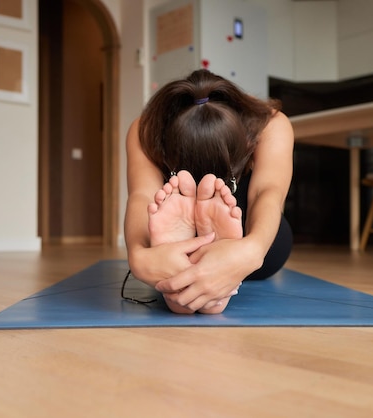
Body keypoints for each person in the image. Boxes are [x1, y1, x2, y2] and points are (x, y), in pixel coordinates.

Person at [124, 69, 294, 314]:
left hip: (244, 219)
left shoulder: (270, 124)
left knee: (270, 248)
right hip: (175, 208)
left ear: (245, 141)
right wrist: (138, 255)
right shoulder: (146, 128)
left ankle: (207, 255)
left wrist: (252, 250)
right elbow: (142, 195)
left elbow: (267, 193)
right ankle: (196, 265)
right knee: (161, 221)